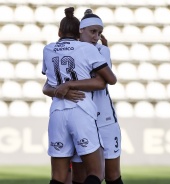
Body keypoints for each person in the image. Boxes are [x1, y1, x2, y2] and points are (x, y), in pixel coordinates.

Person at [43, 9, 123, 184]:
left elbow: (105, 82)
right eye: (93, 31)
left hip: (105, 119)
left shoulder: (102, 50)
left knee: (112, 175)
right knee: (80, 177)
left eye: (100, 33)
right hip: (83, 115)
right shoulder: (77, 50)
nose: (96, 36)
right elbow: (47, 87)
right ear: (80, 30)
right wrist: (63, 90)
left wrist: (68, 85)